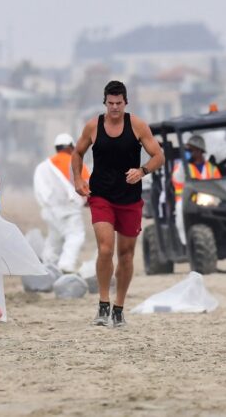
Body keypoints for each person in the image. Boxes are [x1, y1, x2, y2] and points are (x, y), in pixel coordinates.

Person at [71, 80, 164, 327]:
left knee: (126, 255)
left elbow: (159, 156)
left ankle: (119, 307)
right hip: (101, 195)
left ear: (125, 102)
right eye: (110, 103)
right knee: (104, 249)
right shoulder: (93, 126)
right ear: (105, 102)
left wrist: (142, 171)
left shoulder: (137, 125)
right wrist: (78, 178)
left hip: (130, 199)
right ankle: (103, 304)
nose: (114, 108)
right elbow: (77, 152)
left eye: (118, 104)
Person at [33, 133, 90, 273]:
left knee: (54, 240)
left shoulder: (43, 166)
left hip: (49, 211)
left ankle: (47, 268)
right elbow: (87, 186)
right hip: (69, 210)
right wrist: (88, 201)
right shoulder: (76, 163)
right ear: (71, 147)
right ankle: (66, 265)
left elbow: (39, 189)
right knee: (75, 236)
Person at [171, 135, 221, 245]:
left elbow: (219, 185)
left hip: (209, 199)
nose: (191, 152)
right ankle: (185, 243)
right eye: (189, 150)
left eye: (192, 150)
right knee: (179, 211)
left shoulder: (212, 168)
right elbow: (176, 179)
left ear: (200, 151)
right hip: (185, 199)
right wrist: (184, 163)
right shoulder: (183, 167)